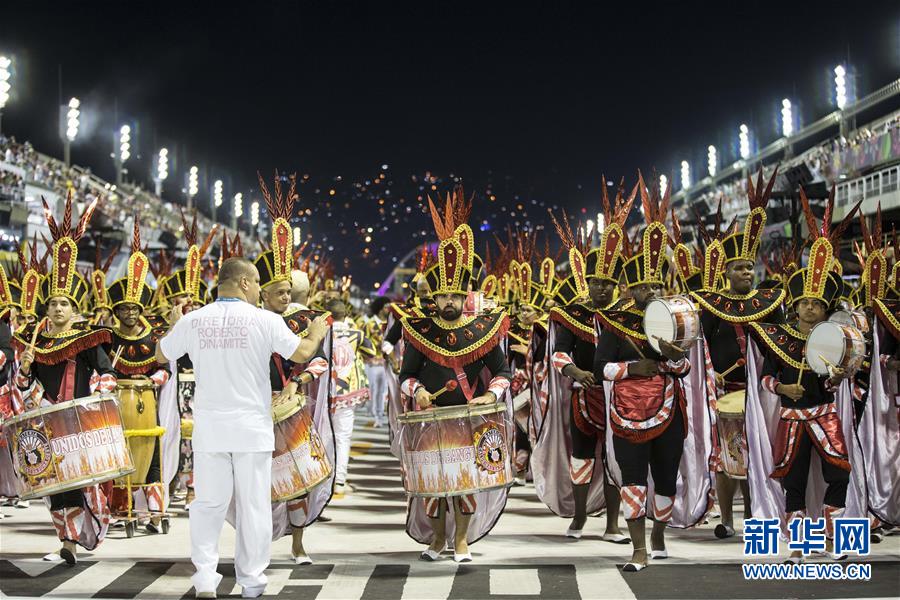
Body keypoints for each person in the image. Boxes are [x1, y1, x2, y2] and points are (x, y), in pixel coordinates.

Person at [155, 257, 328, 599]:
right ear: (246, 283)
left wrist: (174, 324)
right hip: (251, 429)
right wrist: (316, 332)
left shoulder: (194, 320)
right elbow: (302, 353)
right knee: (253, 507)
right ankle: (252, 582)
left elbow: (161, 355)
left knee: (208, 505)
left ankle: (205, 579)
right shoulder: (265, 320)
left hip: (210, 429)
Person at [399, 214, 511, 563]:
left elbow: (504, 372)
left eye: (455, 295)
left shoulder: (484, 330)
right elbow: (406, 375)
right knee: (432, 486)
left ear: (466, 297)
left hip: (468, 420)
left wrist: (491, 395)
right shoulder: (419, 331)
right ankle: (436, 540)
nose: (449, 301)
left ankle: (461, 541)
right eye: (443, 295)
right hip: (429, 420)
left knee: (465, 484)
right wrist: (415, 390)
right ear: (435, 295)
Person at [13, 194, 116, 565]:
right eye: (53, 304)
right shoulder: (36, 343)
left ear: (75, 310)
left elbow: (107, 373)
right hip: (49, 422)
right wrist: (24, 369)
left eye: (64, 304)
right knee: (55, 487)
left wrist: (98, 393)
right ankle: (67, 541)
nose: (57, 309)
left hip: (81, 423)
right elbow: (24, 389)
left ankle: (74, 539)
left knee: (79, 485)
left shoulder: (89, 339)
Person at [689, 170, 785, 539]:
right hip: (723, 390)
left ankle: (758, 515)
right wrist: (707, 379)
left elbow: (781, 341)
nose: (746, 271)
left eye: (749, 266)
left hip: (761, 392)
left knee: (759, 457)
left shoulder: (770, 301)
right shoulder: (712, 306)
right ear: (725, 271)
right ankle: (727, 519)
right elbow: (700, 347)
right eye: (738, 267)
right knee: (726, 460)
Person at [104, 217, 172, 533]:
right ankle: (121, 508)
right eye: (124, 309)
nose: (130, 313)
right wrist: (109, 382)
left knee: (153, 457)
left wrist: (150, 381)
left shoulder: (153, 336)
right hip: (118, 405)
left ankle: (155, 511)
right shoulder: (108, 338)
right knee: (119, 457)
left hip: (147, 403)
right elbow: (102, 370)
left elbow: (164, 369)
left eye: (134, 309)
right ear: (116, 312)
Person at [363, 296, 390, 427]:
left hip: (386, 362)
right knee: (373, 390)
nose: (388, 309)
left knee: (383, 390)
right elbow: (364, 342)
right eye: (386, 307)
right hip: (372, 363)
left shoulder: (390, 324)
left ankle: (379, 415)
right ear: (380, 309)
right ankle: (375, 414)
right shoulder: (369, 324)